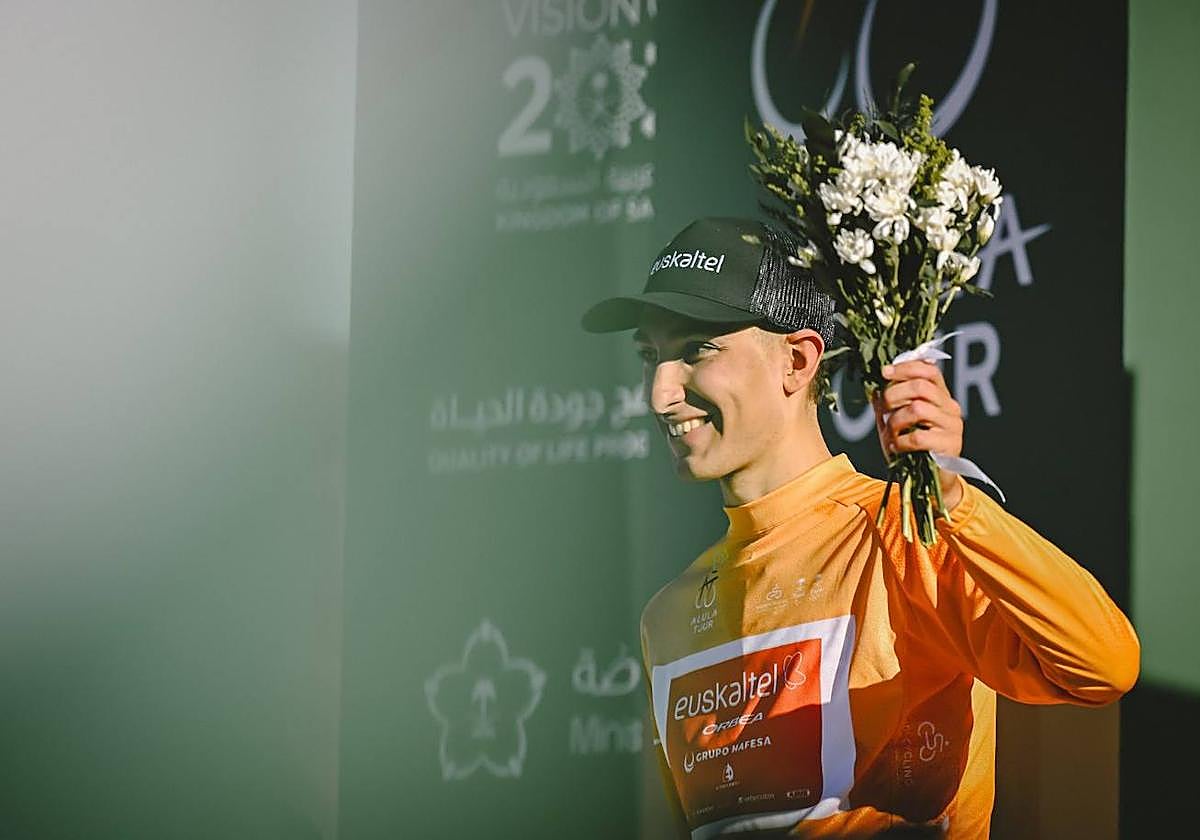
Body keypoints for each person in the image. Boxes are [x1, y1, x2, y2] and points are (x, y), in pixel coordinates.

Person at [579, 216, 1140, 838]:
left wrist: (953, 501)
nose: (660, 392)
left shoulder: (906, 536)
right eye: (650, 356)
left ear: (797, 360)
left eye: (695, 350)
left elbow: (1103, 666)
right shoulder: (668, 614)